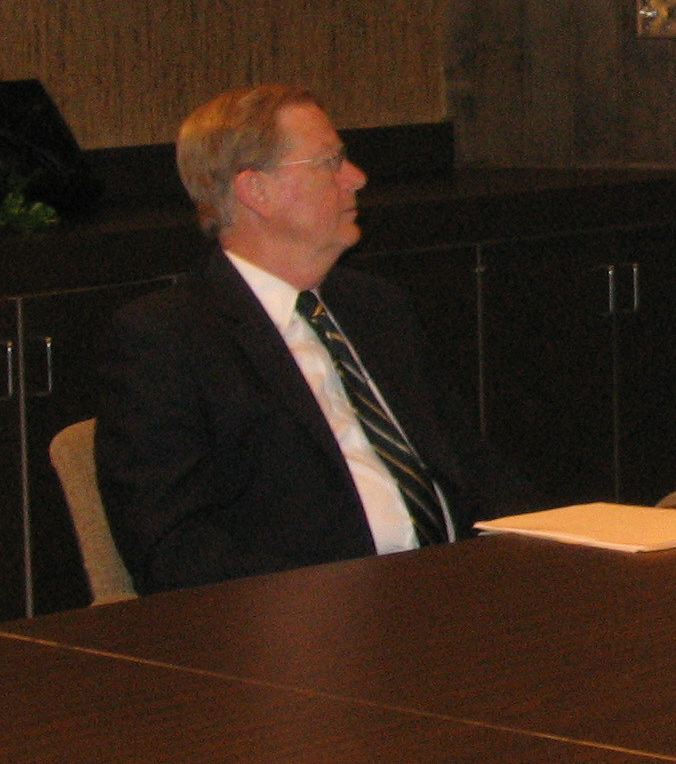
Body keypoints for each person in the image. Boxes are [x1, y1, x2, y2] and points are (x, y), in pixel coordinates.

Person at [97, 85, 536, 593]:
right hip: (311, 619)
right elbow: (173, 549)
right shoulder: (168, 338)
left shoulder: (376, 308)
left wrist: (549, 540)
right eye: (329, 162)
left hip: (454, 588)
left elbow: (471, 465)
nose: (357, 178)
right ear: (255, 190)